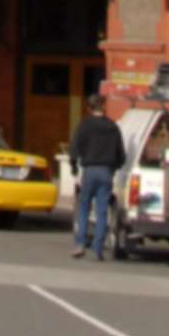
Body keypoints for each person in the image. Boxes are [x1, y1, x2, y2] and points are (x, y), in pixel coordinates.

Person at [69, 91, 126, 261]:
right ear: (104, 107)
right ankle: (98, 248)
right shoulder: (113, 127)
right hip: (106, 171)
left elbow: (74, 149)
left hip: (90, 170)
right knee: (102, 211)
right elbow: (121, 156)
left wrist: (73, 167)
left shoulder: (84, 125)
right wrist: (113, 169)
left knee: (84, 207)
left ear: (89, 108)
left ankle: (80, 244)